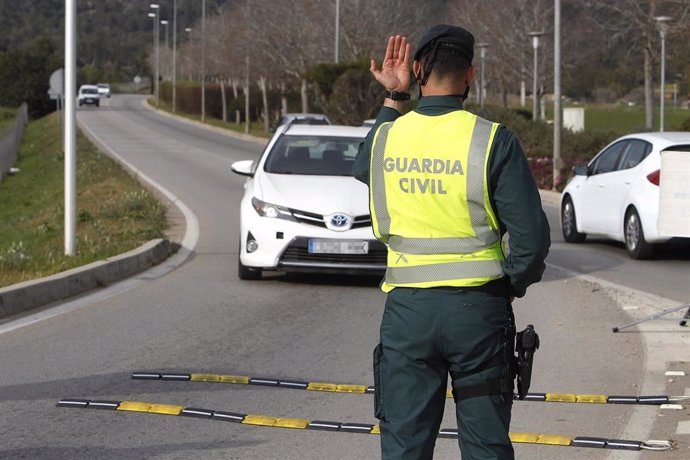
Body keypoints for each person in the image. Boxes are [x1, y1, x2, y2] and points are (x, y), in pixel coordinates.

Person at [353, 25, 551, 459]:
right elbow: (532, 240)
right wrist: (509, 285)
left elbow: (361, 168)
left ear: (419, 69)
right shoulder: (492, 139)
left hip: (408, 315)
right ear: (471, 74)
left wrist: (394, 97)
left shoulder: (387, 137)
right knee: (484, 445)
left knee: (404, 444)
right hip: (478, 313)